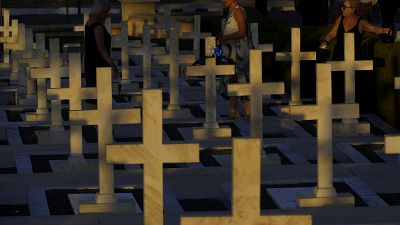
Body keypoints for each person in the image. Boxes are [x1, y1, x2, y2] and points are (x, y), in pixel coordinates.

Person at [319, 0, 390, 106]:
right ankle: (337, 109)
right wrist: (325, 42)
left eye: (344, 7)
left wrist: (384, 31)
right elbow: (332, 33)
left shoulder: (361, 22)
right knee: (337, 83)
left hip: (353, 57)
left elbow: (374, 29)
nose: (341, 9)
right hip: (338, 55)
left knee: (351, 84)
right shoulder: (340, 18)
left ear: (353, 9)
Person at [218, 0, 250, 119]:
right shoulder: (230, 12)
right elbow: (226, 31)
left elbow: (242, 32)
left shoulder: (238, 11)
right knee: (231, 80)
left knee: (240, 79)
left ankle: (248, 109)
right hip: (230, 51)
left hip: (238, 52)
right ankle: (233, 110)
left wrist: (226, 37)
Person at [84, 0, 119, 88]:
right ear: (98, 11)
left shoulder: (89, 22)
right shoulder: (98, 27)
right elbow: (101, 48)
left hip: (90, 62)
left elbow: (85, 41)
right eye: (105, 12)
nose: (107, 14)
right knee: (101, 94)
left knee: (93, 93)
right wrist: (112, 65)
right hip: (99, 64)